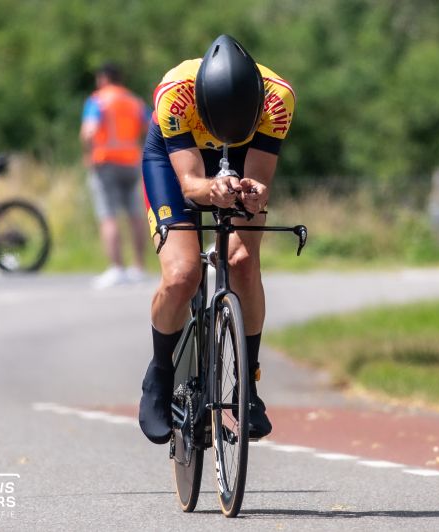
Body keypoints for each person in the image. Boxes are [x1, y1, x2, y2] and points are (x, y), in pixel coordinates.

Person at [138, 35, 295, 444]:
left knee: (242, 261)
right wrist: (212, 189)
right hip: (175, 161)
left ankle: (248, 386)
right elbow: (190, 184)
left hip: (240, 159)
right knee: (182, 274)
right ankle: (159, 374)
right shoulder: (175, 93)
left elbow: (259, 176)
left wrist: (254, 192)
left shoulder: (278, 99)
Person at [80, 63, 150, 289]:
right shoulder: (134, 101)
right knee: (136, 215)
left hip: (105, 162)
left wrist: (88, 154)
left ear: (103, 78)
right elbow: (151, 126)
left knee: (108, 215)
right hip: (131, 161)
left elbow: (89, 130)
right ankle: (139, 267)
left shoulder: (98, 100)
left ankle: (117, 268)